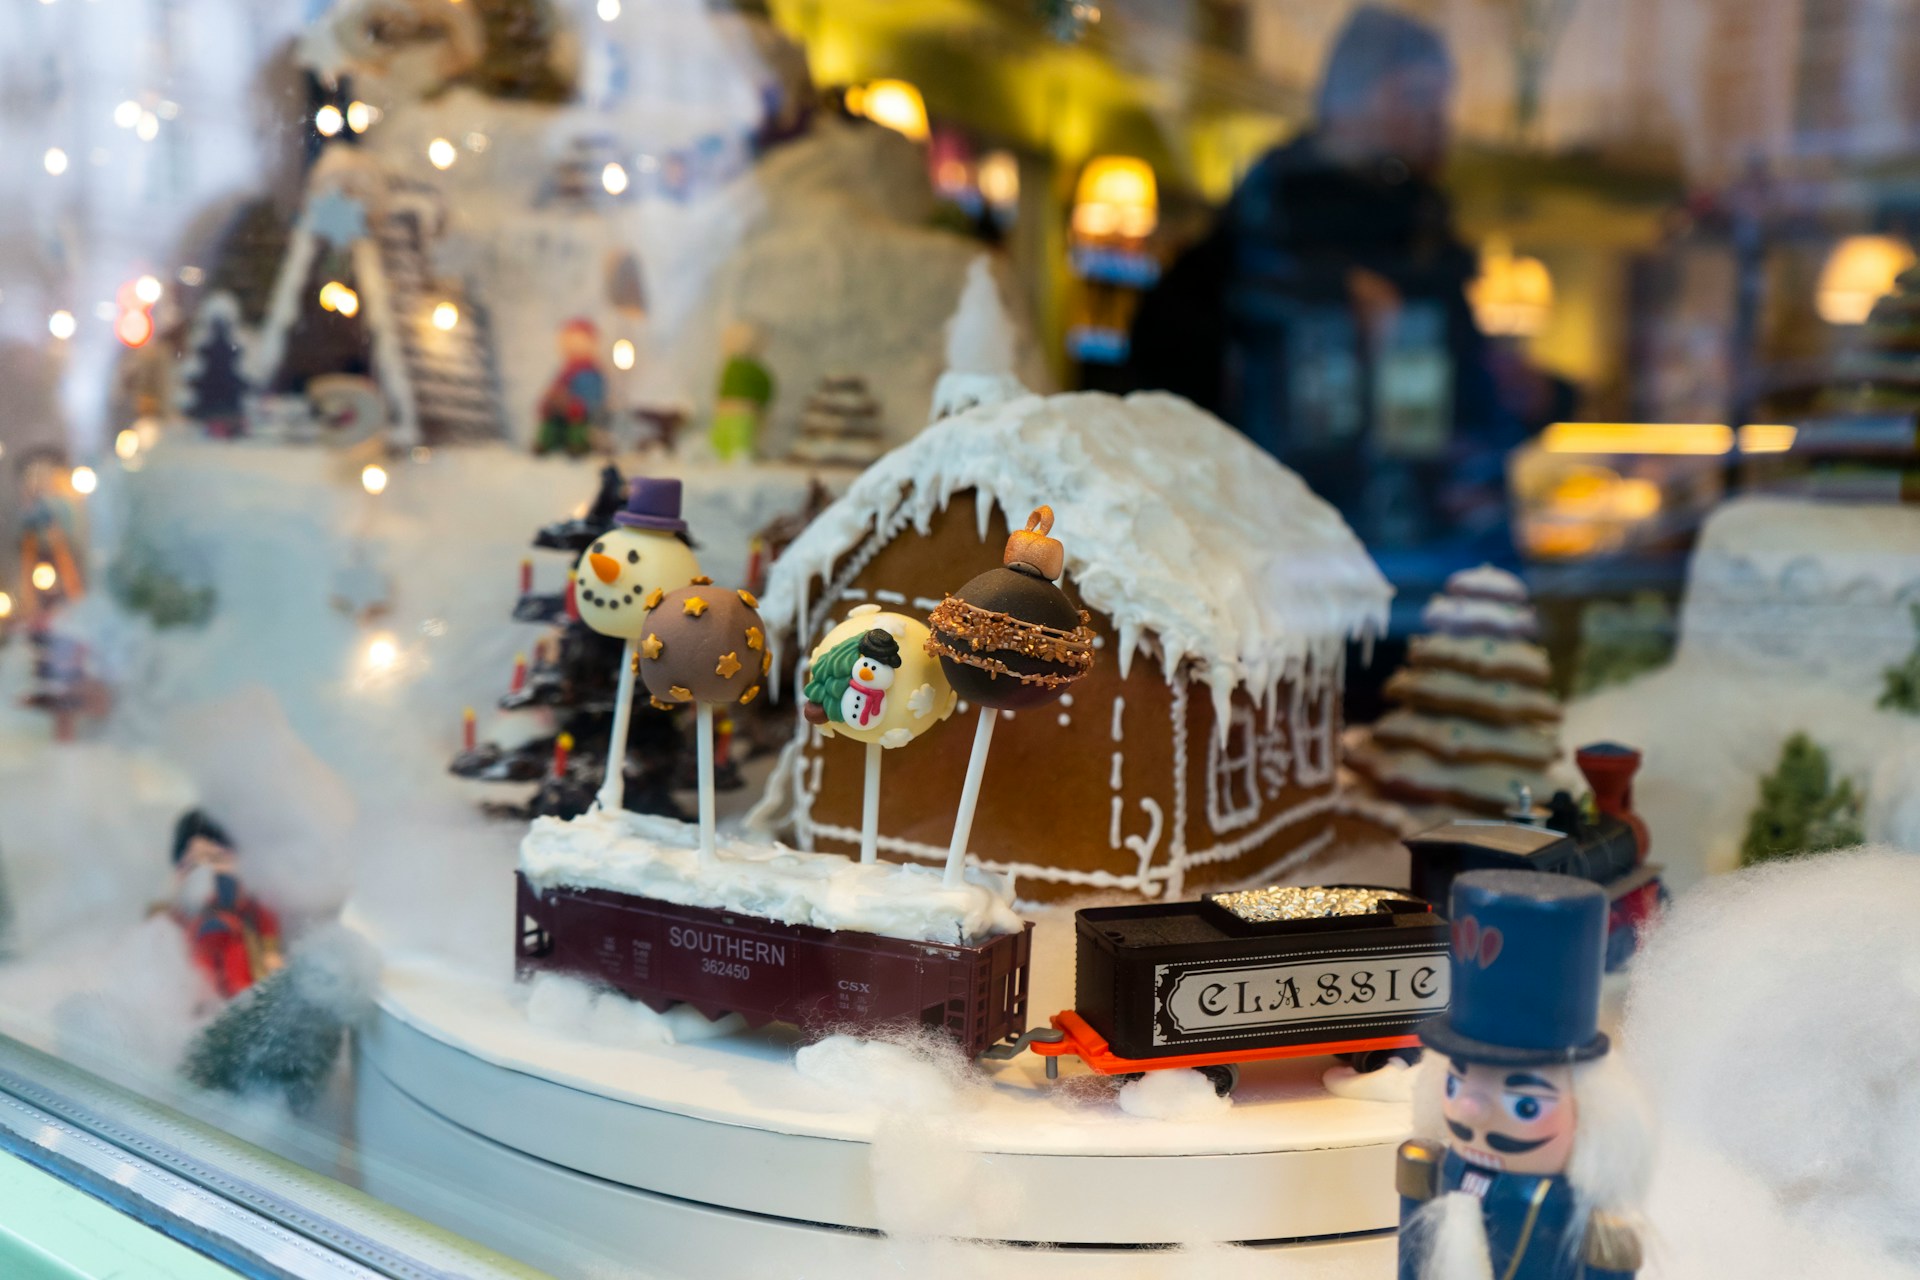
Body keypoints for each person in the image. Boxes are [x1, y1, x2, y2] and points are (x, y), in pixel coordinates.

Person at [1129, 6, 1522, 613]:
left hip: (1410, 577)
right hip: (1280, 581)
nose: (1437, 122)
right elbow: (1168, 406)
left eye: (1439, 101)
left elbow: (1459, 420)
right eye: (1417, 96)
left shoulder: (1419, 239)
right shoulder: (1266, 234)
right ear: (1351, 98)